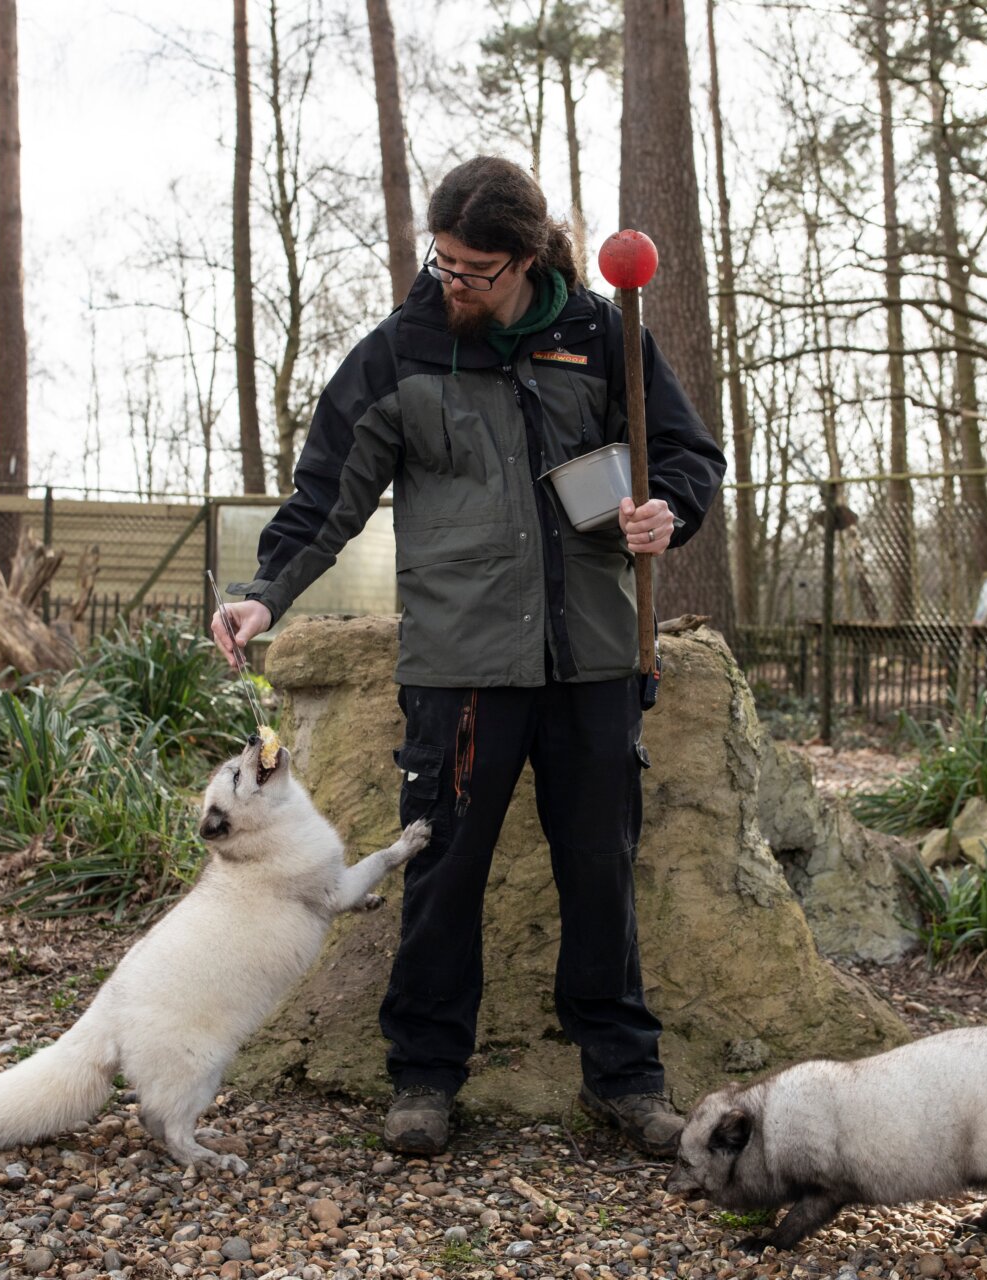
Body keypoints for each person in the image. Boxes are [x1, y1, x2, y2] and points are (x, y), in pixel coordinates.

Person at [209, 155, 724, 1157]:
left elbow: (686, 453)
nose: (453, 282)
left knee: (602, 871)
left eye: (476, 269)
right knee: (440, 868)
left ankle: (624, 1077)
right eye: (441, 261)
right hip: (460, 665)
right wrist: (263, 591)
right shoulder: (402, 349)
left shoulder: (601, 337)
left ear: (528, 259)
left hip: (596, 661)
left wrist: (673, 511)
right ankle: (425, 1076)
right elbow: (327, 494)